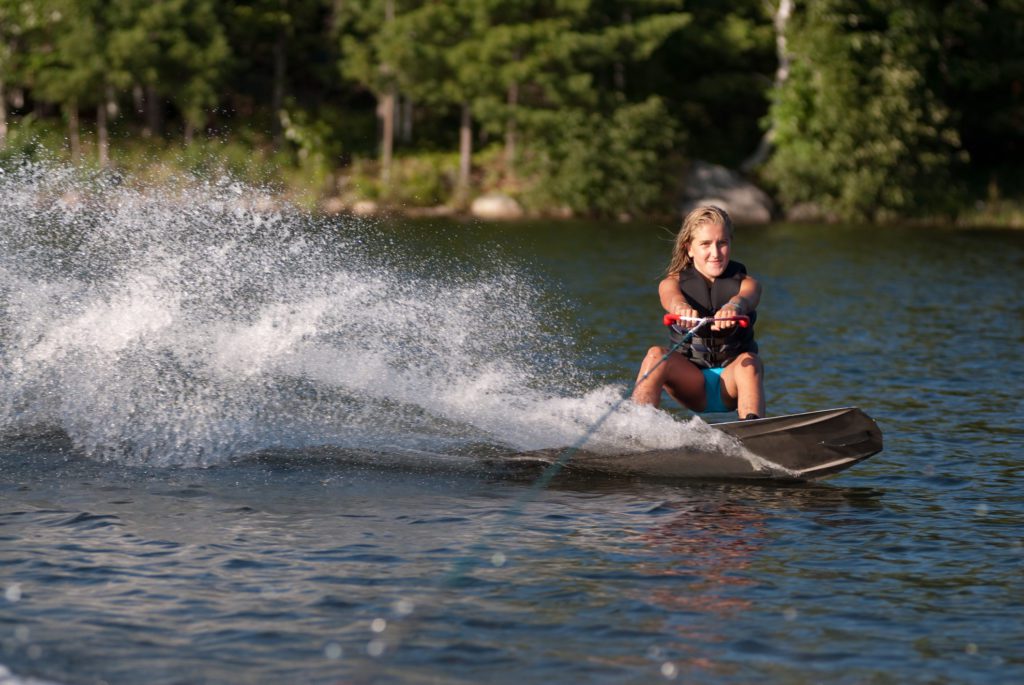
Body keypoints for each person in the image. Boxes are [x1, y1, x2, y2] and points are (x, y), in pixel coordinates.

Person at [631, 205, 765, 419]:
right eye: (705, 244)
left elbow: (747, 298)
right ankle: (636, 427)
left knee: (750, 362)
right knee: (656, 355)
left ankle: (754, 429)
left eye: (722, 243)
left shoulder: (748, 284)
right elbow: (671, 298)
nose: (715, 253)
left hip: (732, 382)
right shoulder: (671, 283)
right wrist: (681, 309)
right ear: (689, 248)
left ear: (730, 243)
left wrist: (733, 307)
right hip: (691, 382)